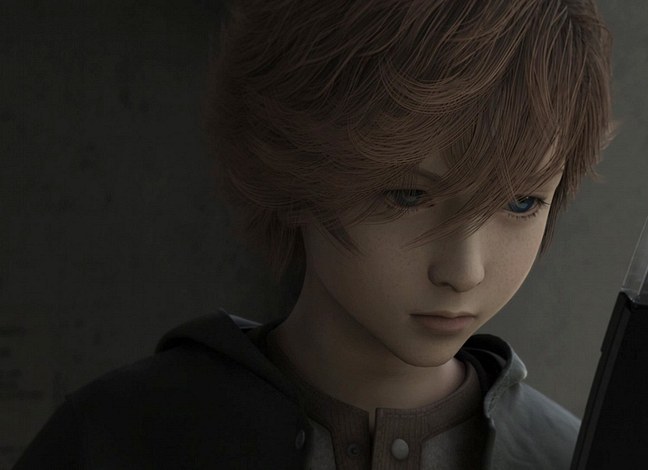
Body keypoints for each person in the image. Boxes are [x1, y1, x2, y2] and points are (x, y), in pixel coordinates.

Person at [15, 0, 611, 468]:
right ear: (295, 163)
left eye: (520, 202)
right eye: (407, 195)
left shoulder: (571, 458)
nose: (465, 270)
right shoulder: (118, 438)